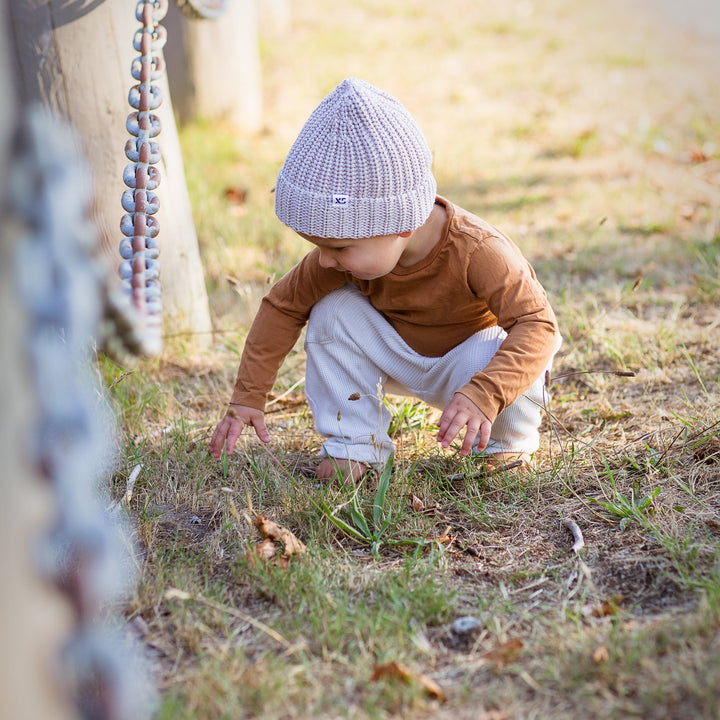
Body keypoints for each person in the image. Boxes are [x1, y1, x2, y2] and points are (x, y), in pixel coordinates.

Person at [210, 77, 561, 483]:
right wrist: (248, 396)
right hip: (396, 357)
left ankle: (508, 446)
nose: (324, 261)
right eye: (319, 246)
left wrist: (484, 394)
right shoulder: (339, 259)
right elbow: (281, 307)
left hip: (469, 367)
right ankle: (357, 443)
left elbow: (540, 326)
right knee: (331, 311)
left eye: (339, 248)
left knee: (509, 348)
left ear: (402, 226)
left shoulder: (478, 250)